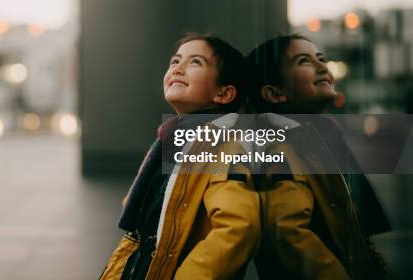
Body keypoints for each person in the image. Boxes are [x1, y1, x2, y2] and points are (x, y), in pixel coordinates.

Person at [99, 33, 260, 280]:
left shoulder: (224, 147)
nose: (178, 68)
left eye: (195, 62)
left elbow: (238, 228)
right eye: (175, 61)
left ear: (224, 94)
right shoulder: (172, 140)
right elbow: (142, 233)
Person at [245, 34, 391, 279]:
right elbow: (288, 234)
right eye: (304, 61)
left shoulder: (323, 136)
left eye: (321, 58)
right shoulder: (277, 147)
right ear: (275, 93)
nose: (322, 66)